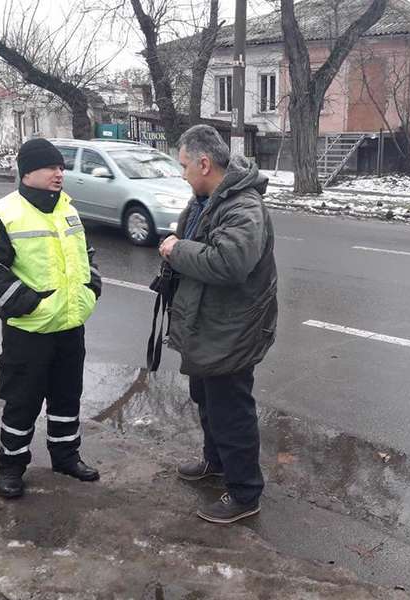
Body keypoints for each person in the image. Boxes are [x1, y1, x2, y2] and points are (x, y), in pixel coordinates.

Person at [0, 138, 102, 499]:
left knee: (67, 398)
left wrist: (93, 288)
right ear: (28, 171)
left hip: (70, 327)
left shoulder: (68, 209)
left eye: (61, 167)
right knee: (22, 403)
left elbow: (85, 256)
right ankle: (11, 467)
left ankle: (66, 456)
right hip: (29, 331)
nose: (60, 173)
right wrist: (29, 304)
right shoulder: (2, 215)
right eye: (51, 167)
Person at [159, 125, 278, 524]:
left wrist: (178, 249)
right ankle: (216, 463)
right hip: (208, 324)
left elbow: (229, 262)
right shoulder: (207, 199)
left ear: (204, 163)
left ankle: (245, 494)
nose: (182, 173)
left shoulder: (243, 206)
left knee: (231, 411)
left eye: (184, 165)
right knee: (207, 401)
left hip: (233, 329)